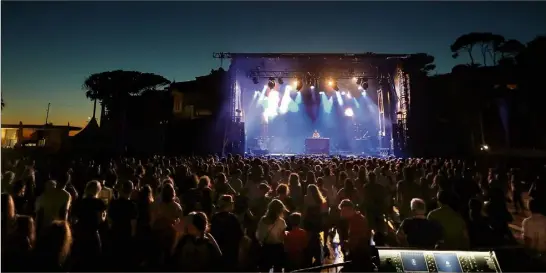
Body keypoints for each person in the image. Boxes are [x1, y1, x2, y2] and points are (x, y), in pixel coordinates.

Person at [210, 195, 244, 272]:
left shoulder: (215, 218)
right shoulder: (233, 218)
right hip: (231, 252)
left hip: (218, 250)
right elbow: (240, 235)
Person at [338, 199, 372, 272]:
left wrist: (347, 244)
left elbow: (356, 239)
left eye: (343, 211)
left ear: (349, 210)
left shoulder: (357, 221)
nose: (341, 213)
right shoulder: (356, 218)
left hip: (360, 256)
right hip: (360, 254)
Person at [256, 199, 288, 272]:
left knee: (265, 269)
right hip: (278, 247)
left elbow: (259, 235)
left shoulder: (263, 220)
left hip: (266, 247)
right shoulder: (281, 221)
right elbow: (282, 237)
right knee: (278, 269)